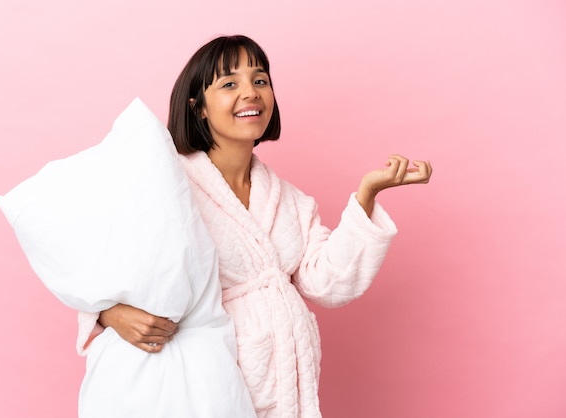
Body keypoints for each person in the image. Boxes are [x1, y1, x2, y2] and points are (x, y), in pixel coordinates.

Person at [77, 34, 432, 417]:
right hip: (203, 380)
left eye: (260, 80)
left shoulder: (289, 200)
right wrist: (106, 313)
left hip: (282, 381)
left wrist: (367, 194)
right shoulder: (167, 183)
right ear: (198, 107)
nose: (251, 92)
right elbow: (96, 257)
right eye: (230, 84)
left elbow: (328, 284)